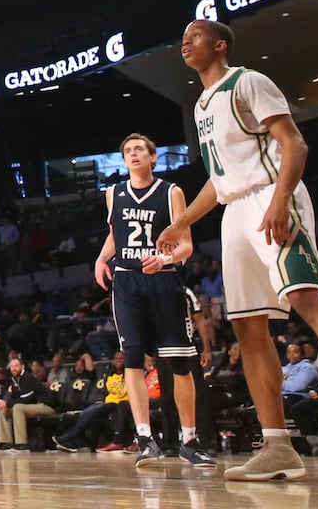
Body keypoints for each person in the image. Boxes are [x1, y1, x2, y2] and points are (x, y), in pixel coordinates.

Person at [159, 19, 318, 481]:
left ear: (219, 45)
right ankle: (277, 445)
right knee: (248, 328)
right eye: (183, 38)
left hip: (270, 196)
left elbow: (294, 144)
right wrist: (180, 221)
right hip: (235, 210)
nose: (185, 42)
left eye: (194, 36)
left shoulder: (248, 81)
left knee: (305, 300)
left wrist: (280, 200)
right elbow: (218, 183)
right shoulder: (201, 104)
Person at [94, 133, 216, 469]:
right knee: (132, 358)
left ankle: (190, 440)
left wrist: (163, 260)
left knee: (179, 363)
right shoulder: (113, 193)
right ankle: (146, 439)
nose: (133, 155)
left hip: (163, 280)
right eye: (127, 151)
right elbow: (116, 234)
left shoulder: (171, 192)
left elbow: (186, 245)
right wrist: (101, 259)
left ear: (153, 158)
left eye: (139, 150)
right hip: (127, 282)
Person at [54, 351, 127, 451]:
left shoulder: (129, 375)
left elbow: (122, 392)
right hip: (107, 403)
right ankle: (78, 443)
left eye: (121, 358)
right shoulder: (110, 376)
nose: (118, 360)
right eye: (116, 358)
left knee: (93, 411)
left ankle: (70, 436)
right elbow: (105, 393)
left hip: (120, 403)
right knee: (87, 412)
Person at [0, 356, 54, 452]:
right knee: (4, 410)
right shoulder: (14, 379)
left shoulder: (28, 377)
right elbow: (14, 398)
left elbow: (26, 400)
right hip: (31, 406)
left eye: (16, 366)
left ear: (22, 367)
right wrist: (2, 403)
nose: (13, 368)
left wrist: (7, 403)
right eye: (12, 366)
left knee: (17, 408)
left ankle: (22, 444)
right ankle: (7, 443)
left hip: (46, 406)